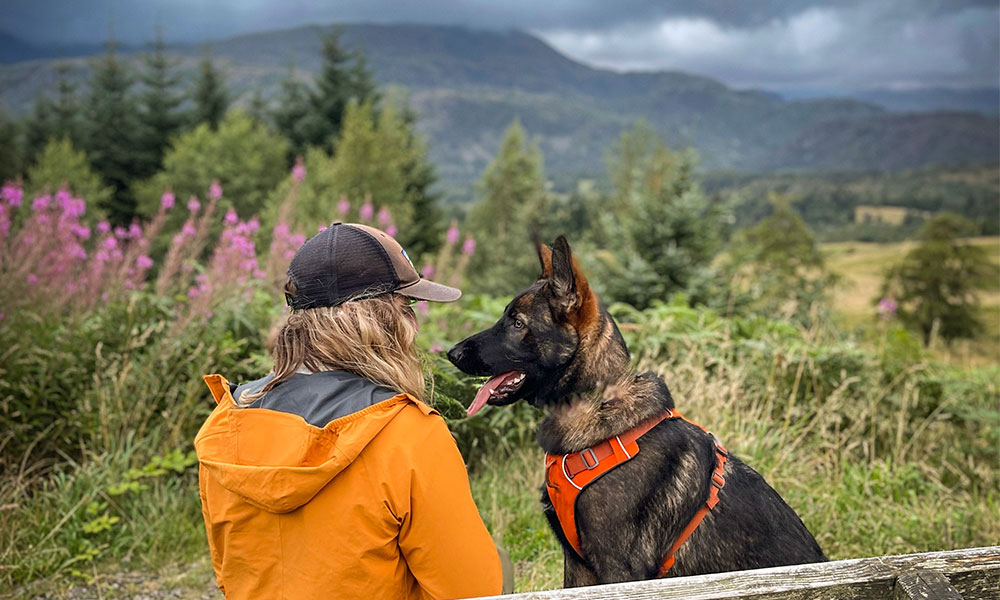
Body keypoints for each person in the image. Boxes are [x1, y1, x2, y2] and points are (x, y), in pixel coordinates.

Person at [195, 222, 508, 599]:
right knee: (498, 562)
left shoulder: (227, 422)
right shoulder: (407, 432)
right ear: (382, 321)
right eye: (406, 306)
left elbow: (229, 574)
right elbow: (472, 592)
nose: (413, 323)